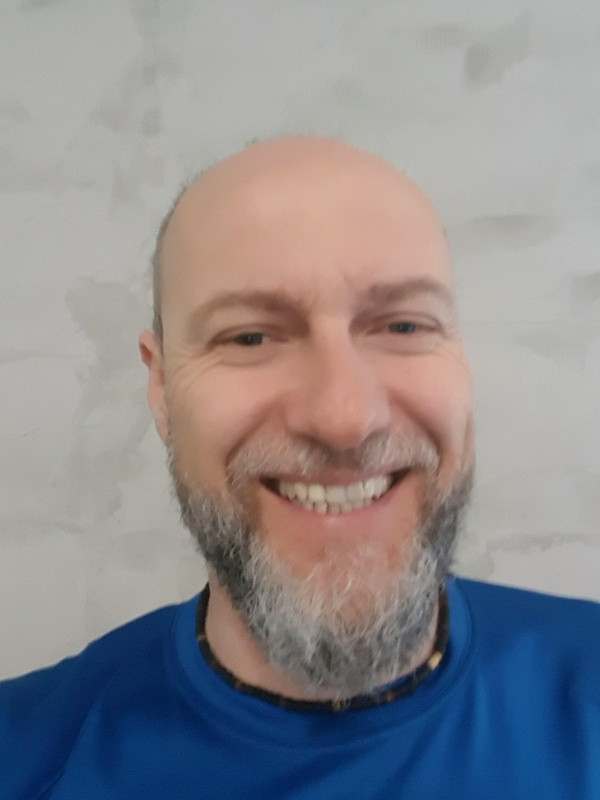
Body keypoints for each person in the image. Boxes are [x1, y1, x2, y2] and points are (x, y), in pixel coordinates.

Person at [1, 134, 599, 799]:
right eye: (250, 336)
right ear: (161, 386)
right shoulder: (23, 760)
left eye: (403, 326)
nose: (345, 417)